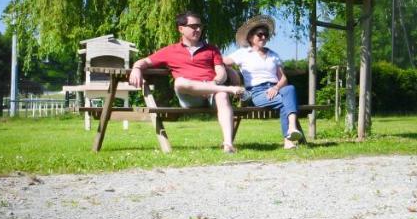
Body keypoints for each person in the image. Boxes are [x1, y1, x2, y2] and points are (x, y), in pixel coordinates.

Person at [128, 11, 244, 153]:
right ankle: (228, 89)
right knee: (179, 83)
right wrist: (136, 68)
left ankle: (228, 144)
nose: (198, 29)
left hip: (212, 92)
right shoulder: (170, 51)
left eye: (200, 26)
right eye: (193, 26)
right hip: (190, 96)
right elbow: (145, 61)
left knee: (222, 96)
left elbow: (221, 73)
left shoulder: (211, 49)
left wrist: (213, 84)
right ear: (181, 29)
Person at [226, 15, 304, 149]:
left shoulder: (274, 55)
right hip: (257, 92)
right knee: (287, 101)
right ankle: (288, 138)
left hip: (276, 89)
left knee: (289, 88)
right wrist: (234, 79)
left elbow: (283, 78)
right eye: (260, 34)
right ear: (250, 37)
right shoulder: (243, 53)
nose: (263, 37)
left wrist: (276, 88)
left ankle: (291, 129)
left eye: (266, 35)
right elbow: (221, 62)